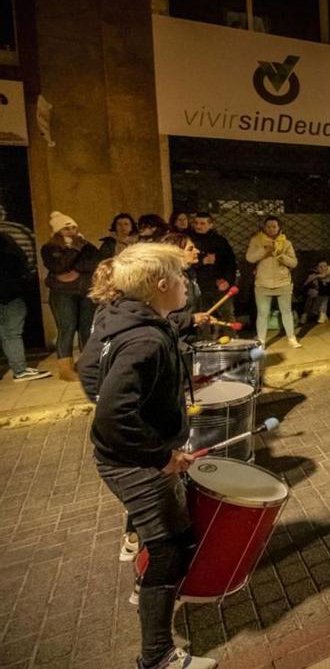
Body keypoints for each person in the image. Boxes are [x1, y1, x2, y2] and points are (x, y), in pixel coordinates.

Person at [77, 243, 217, 669]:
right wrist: (160, 455)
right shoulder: (144, 340)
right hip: (133, 461)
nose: (185, 284)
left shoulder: (119, 317)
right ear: (161, 286)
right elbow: (111, 418)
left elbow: (87, 369)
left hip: (129, 456)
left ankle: (147, 589)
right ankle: (156, 656)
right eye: (180, 278)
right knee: (172, 547)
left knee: (165, 541)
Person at [40, 211, 100, 379]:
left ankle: (88, 366)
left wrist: (74, 270)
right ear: (58, 230)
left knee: (87, 329)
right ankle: (66, 370)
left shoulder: (85, 244)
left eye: (74, 227)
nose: (72, 231)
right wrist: (73, 250)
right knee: (67, 328)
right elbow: (58, 267)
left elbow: (96, 262)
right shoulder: (50, 247)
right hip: (62, 293)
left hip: (86, 291)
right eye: (67, 228)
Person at [0, 229, 51, 381]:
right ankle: (20, 370)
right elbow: (22, 272)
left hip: (8, 296)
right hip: (10, 297)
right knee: (11, 334)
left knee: (8, 335)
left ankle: (19, 368)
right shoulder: (10, 254)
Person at [246, 216, 300, 348]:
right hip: (263, 283)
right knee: (263, 313)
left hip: (283, 282)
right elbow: (250, 258)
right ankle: (261, 341)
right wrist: (264, 250)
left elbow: (294, 262)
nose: (271, 229)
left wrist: (281, 256)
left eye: (274, 226)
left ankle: (291, 338)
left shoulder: (286, 243)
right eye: (268, 226)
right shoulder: (256, 241)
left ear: (279, 228)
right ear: (264, 228)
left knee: (286, 311)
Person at [189, 212, 238, 330]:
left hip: (219, 284)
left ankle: (230, 340)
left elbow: (230, 262)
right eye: (196, 223)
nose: (198, 226)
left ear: (211, 225)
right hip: (199, 285)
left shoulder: (220, 241)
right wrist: (202, 262)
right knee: (202, 316)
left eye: (202, 223)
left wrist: (227, 280)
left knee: (227, 314)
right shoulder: (189, 241)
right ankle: (205, 342)